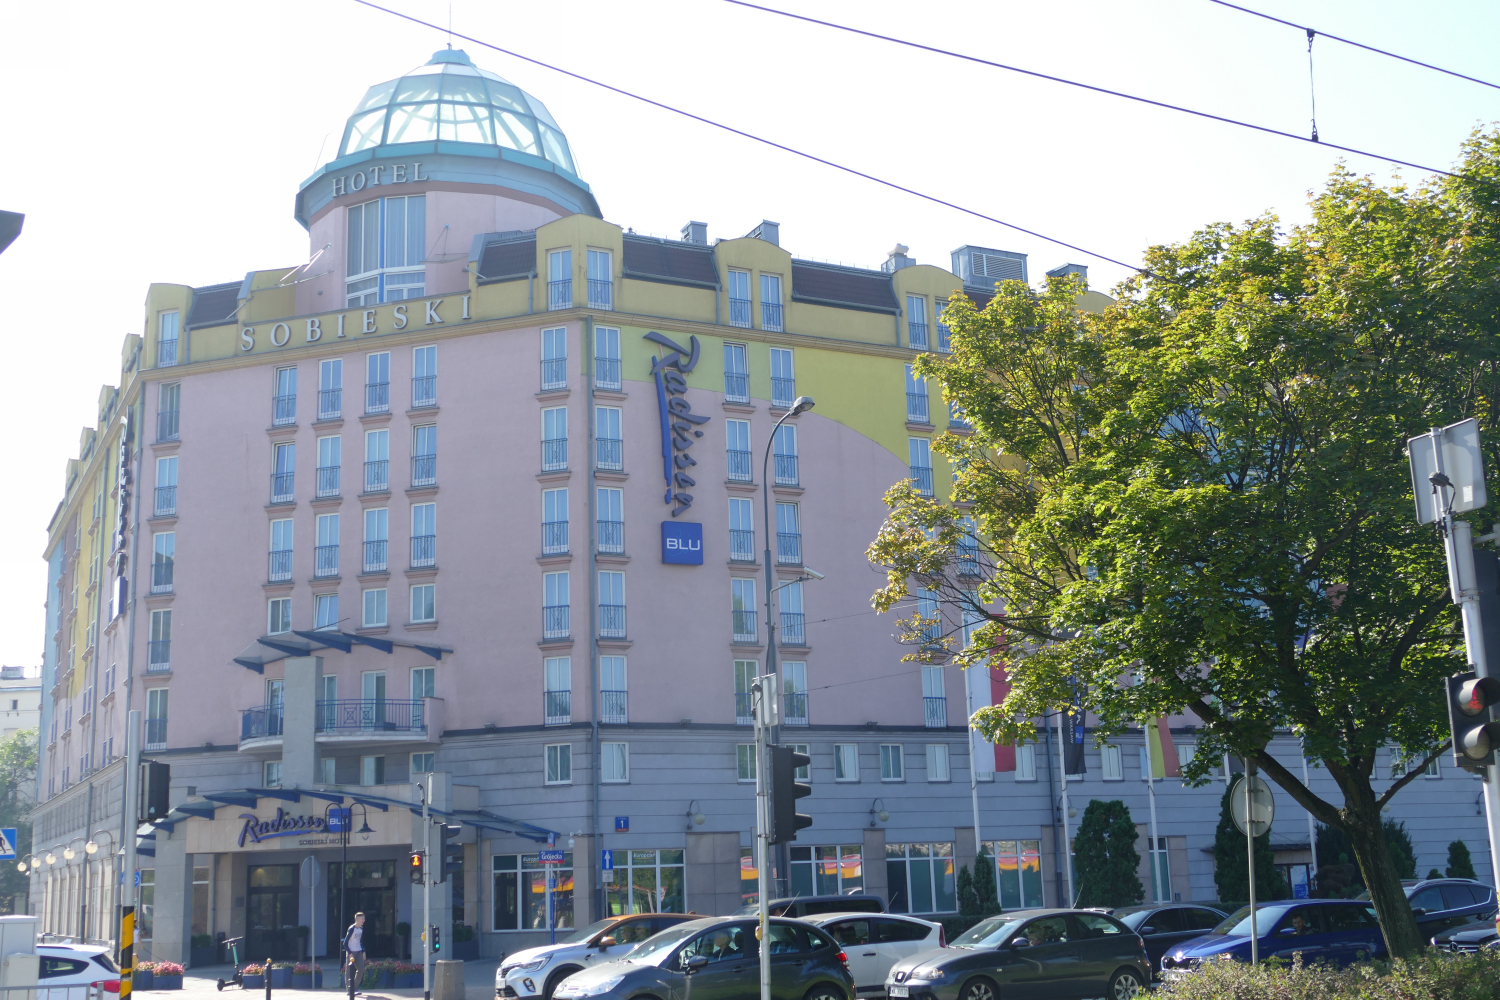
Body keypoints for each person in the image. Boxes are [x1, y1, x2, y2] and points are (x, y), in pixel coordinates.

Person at [343, 912, 367, 992]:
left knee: (361, 969)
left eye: (364, 918)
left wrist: (363, 951)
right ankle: (349, 990)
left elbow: (361, 941)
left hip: (358, 951)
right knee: (349, 971)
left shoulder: (361, 929)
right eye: (362, 919)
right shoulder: (352, 928)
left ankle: (354, 987)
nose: (363, 920)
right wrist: (349, 953)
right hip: (351, 951)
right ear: (357, 919)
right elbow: (345, 943)